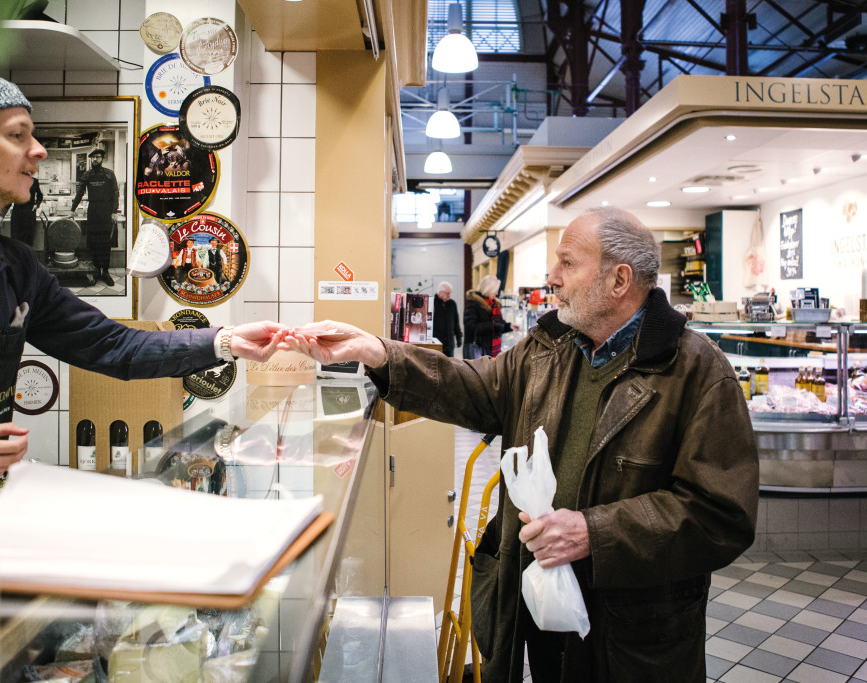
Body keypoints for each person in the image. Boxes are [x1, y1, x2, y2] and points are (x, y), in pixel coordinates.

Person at [284, 207, 759, 683]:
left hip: (631, 636)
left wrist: (594, 533)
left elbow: (720, 516)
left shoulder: (696, 372)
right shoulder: (549, 349)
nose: (552, 277)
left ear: (619, 280)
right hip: (541, 610)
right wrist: (377, 353)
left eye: (568, 263)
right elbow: (472, 385)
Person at [0, 62, 289, 525]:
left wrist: (224, 341)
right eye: (17, 135)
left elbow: (110, 344)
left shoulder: (15, 266)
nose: (38, 149)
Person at [71, 147, 119, 286]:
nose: (95, 159)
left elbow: (115, 193)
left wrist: (114, 211)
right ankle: (97, 270)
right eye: (93, 157)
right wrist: (72, 209)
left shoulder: (109, 174)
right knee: (94, 243)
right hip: (93, 212)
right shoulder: (87, 175)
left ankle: (106, 272)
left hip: (106, 212)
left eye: (98, 157)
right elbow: (80, 193)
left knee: (106, 244)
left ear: (102, 159)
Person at [463, 273, 516, 358]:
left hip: (490, 349)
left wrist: (509, 326)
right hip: (477, 349)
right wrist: (492, 326)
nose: (497, 293)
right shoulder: (473, 304)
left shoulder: (495, 305)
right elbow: (470, 328)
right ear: (488, 289)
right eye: (495, 290)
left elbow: (499, 324)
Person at [6, 175, 43, 246]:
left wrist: (36, 204)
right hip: (17, 214)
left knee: (28, 240)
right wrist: (1, 215)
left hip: (29, 214)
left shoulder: (34, 181)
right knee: (16, 240)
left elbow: (40, 195)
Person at [432, 281, 462, 357]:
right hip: (436, 343)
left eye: (450, 293)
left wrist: (459, 337)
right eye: (447, 293)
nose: (449, 295)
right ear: (440, 292)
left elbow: (456, 322)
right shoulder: (432, 303)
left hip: (449, 344)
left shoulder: (452, 304)